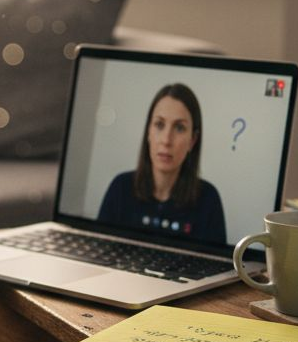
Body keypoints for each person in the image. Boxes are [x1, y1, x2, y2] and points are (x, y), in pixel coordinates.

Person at [97, 83, 226, 243]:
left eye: (179, 127)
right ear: (148, 132)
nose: (166, 140)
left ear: (192, 140)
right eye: (159, 125)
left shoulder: (208, 199)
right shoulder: (120, 188)